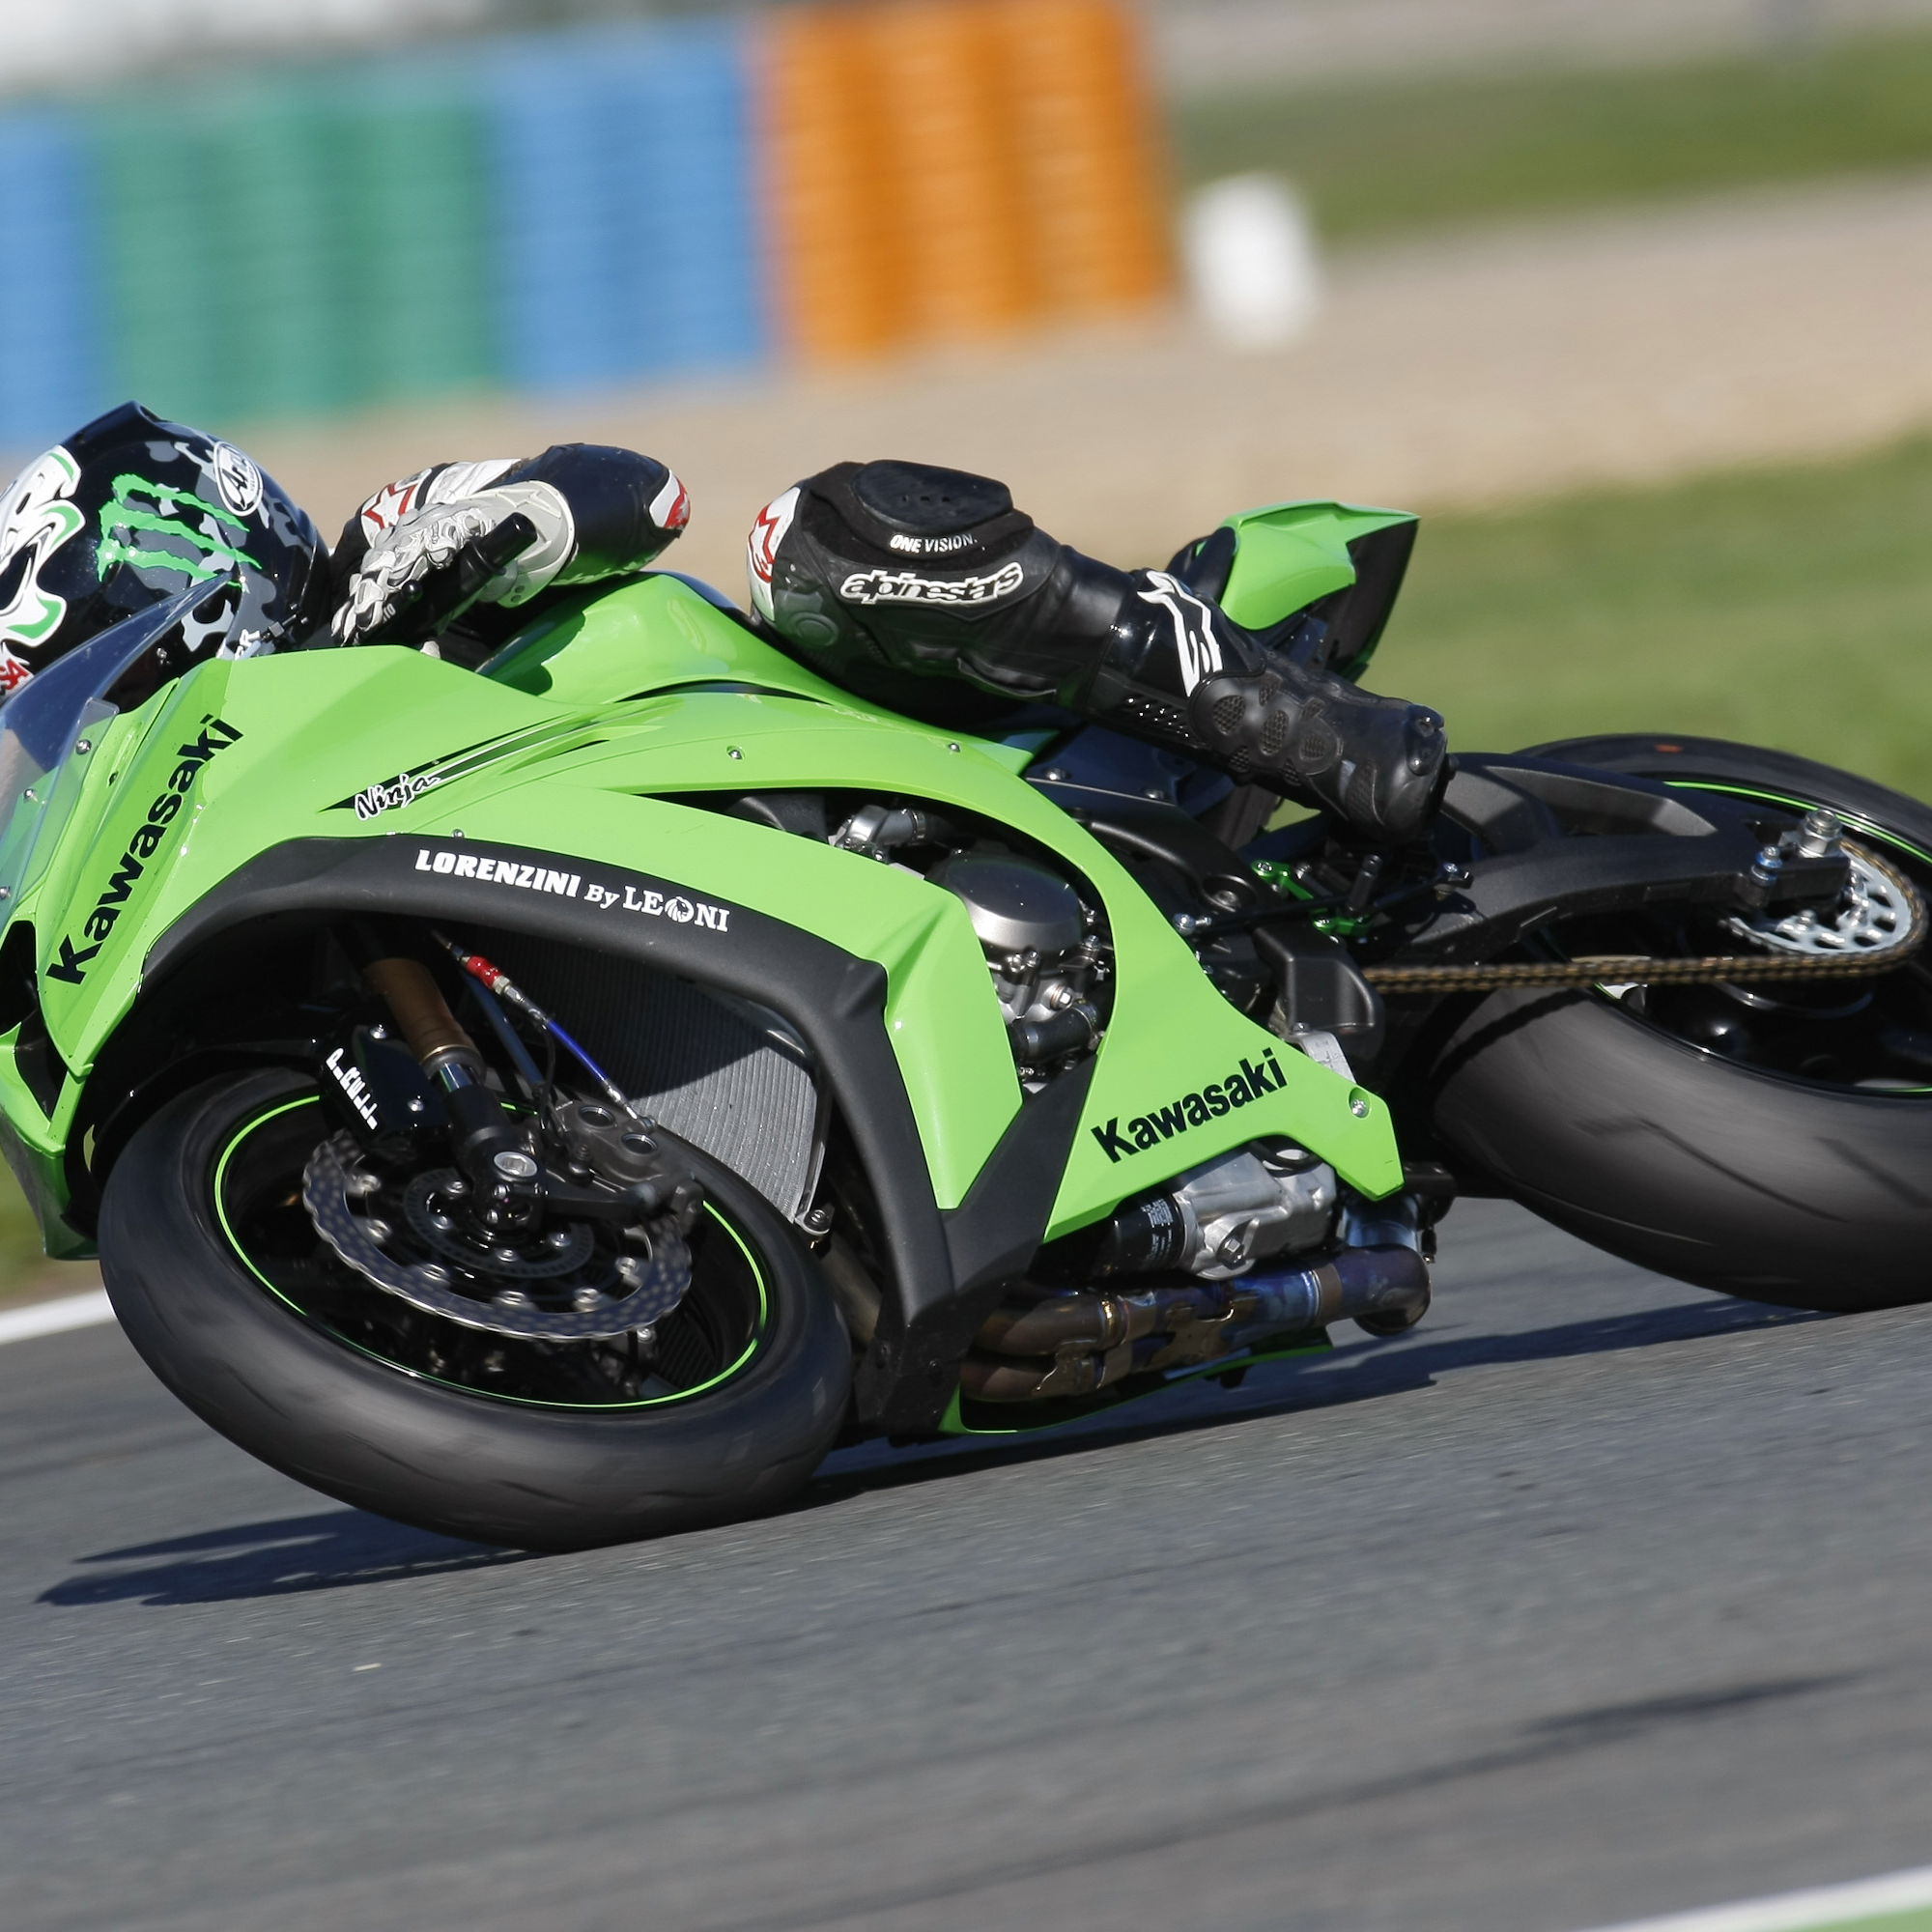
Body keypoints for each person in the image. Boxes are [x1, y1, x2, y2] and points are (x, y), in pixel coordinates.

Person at [0, 404, 1443, 842]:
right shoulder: (239, 812)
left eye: (98, 660)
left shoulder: (388, 542)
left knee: (822, 536)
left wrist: (462, 553)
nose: (106, 709)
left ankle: (1304, 729)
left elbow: (639, 490)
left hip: (823, 742)